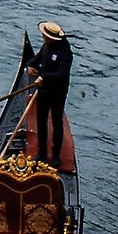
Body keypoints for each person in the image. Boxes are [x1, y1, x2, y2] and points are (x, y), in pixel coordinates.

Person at [28, 20, 73, 165]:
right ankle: (41, 153)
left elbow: (62, 73)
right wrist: (30, 66)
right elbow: (36, 59)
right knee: (41, 121)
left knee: (56, 122)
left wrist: (44, 77)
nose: (43, 39)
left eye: (45, 37)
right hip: (44, 90)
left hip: (58, 92)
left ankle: (55, 156)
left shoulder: (65, 52)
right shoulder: (46, 46)